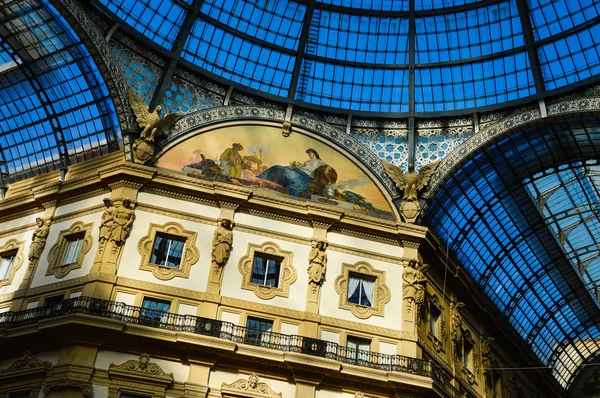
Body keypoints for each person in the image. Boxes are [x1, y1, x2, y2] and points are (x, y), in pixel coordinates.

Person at [257, 148, 327, 196]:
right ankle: (263, 177)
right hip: (301, 171)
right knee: (278, 167)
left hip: (306, 175)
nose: (309, 155)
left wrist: (297, 167)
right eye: (308, 154)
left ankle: (270, 179)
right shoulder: (309, 161)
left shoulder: (319, 162)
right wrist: (295, 167)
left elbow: (324, 168)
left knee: (286, 171)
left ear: (313, 153)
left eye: (309, 154)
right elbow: (303, 168)